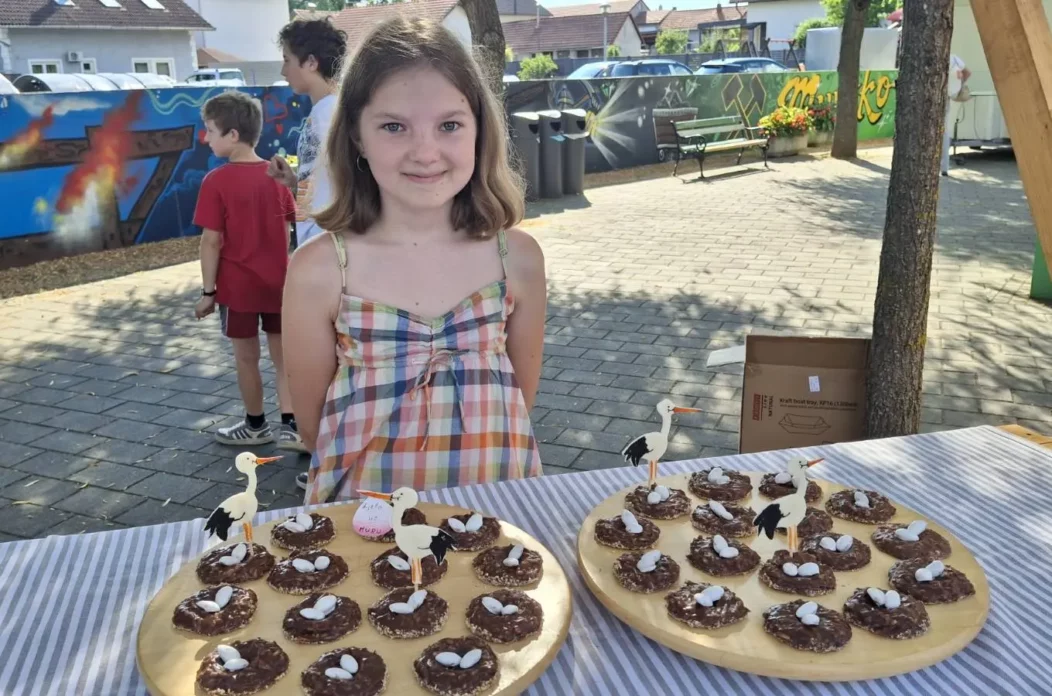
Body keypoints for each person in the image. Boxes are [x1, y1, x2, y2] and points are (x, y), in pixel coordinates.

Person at [282, 17, 547, 502]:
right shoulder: (319, 270)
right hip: (362, 533)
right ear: (357, 136)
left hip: (497, 520)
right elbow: (312, 425)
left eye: (449, 125)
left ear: (478, 130)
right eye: (393, 127)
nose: (426, 152)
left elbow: (518, 401)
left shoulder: (519, 259)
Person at [193, 92, 305, 452]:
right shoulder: (277, 175)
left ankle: (256, 425)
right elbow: (296, 226)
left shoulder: (216, 181)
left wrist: (208, 292)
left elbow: (210, 242)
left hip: (237, 288)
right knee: (283, 356)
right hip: (280, 284)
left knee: (246, 358)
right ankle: (292, 424)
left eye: (210, 130)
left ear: (233, 135)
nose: (206, 137)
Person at [269, 18, 347, 249]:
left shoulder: (330, 114)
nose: (283, 71)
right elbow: (327, 182)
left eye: (287, 60)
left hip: (328, 244)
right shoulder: (325, 111)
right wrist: (294, 182)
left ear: (311, 62)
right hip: (318, 241)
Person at [942, 53, 972, 177]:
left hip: (938, 96)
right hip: (949, 96)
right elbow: (967, 73)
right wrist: (959, 85)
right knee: (944, 131)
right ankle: (944, 166)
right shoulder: (954, 58)